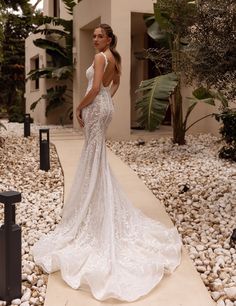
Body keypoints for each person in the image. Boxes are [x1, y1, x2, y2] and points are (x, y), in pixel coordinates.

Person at [32, 24, 182, 302]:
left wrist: (80, 106)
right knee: (96, 157)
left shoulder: (101, 57)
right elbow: (114, 85)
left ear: (109, 38)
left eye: (100, 36)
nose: (95, 39)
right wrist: (105, 102)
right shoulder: (113, 56)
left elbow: (97, 85)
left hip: (95, 108)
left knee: (93, 156)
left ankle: (93, 205)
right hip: (102, 107)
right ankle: (97, 201)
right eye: (94, 36)